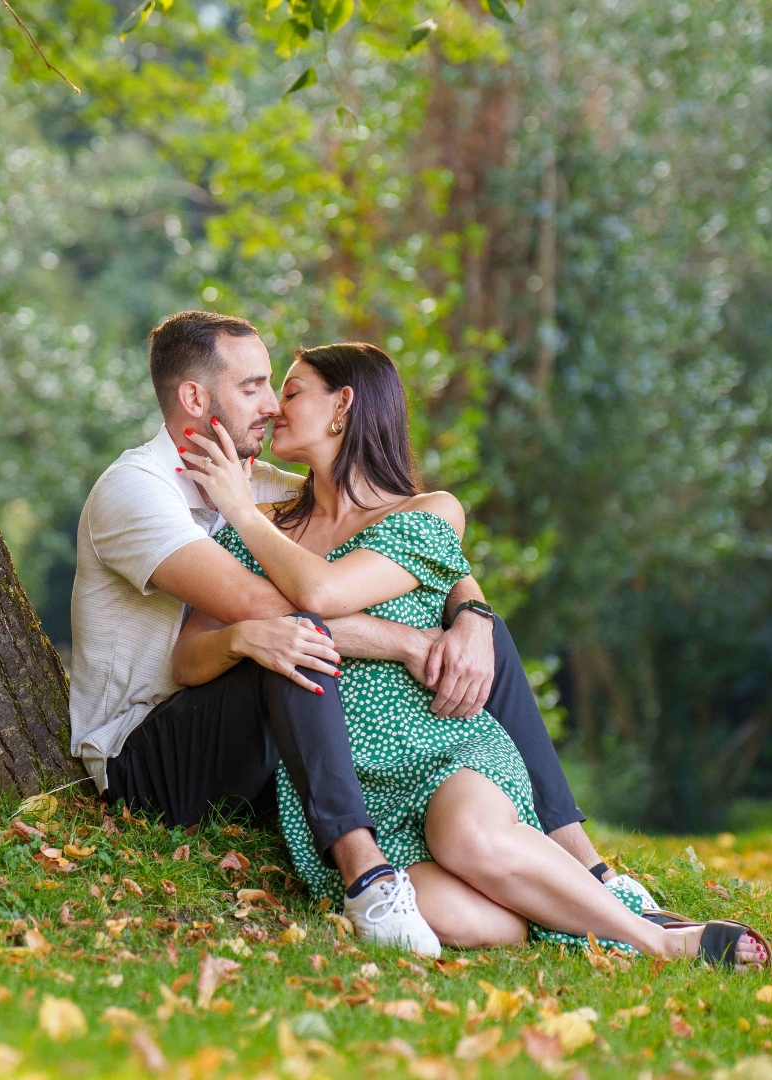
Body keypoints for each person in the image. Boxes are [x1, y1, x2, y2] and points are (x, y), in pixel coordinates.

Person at [169, 339, 768, 967]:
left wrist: (237, 507)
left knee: (467, 835)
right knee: (468, 918)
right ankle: (586, 904)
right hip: (349, 786)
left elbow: (320, 591)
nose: (272, 407)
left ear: (343, 406)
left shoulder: (424, 514)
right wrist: (240, 636)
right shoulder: (265, 530)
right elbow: (187, 661)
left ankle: (660, 941)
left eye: (290, 392)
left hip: (442, 747)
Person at [70, 310, 634, 952]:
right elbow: (275, 607)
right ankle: (367, 876)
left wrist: (470, 612)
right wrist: (409, 643)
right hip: (149, 744)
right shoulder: (137, 491)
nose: (271, 407)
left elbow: (393, 527)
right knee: (289, 641)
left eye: (278, 388)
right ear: (196, 398)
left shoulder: (255, 479)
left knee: (478, 632)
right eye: (253, 387)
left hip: (256, 735)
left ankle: (581, 864)